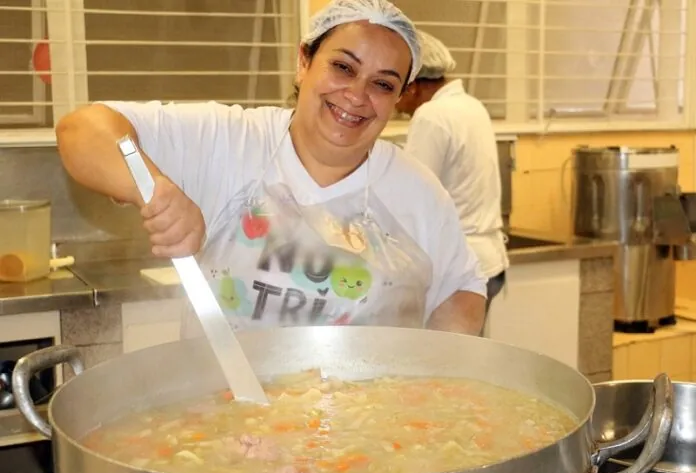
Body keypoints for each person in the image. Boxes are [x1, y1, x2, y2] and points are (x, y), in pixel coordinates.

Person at [55, 0, 488, 337]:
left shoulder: (417, 192)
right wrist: (157, 189)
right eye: (342, 67)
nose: (357, 95)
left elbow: (461, 291)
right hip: (218, 418)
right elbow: (82, 130)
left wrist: (432, 389)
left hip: (365, 425)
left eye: (382, 84)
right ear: (304, 62)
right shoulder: (228, 140)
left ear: (400, 98)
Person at [395, 30, 508, 320]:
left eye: (393, 87)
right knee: (462, 360)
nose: (394, 102)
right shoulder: (471, 106)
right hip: (488, 261)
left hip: (455, 268)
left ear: (413, 86)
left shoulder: (431, 116)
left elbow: (412, 196)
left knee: (438, 362)